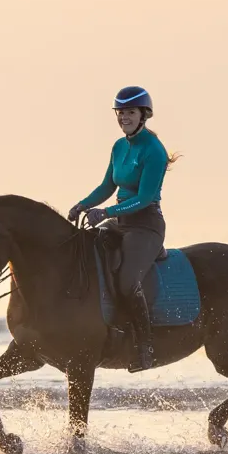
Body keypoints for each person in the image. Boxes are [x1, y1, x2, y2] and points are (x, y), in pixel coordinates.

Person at [68, 86, 172, 372]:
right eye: (121, 112)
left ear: (144, 115)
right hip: (121, 221)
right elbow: (107, 186)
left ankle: (145, 347)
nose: (124, 117)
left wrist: (106, 212)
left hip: (146, 225)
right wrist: (82, 204)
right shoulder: (118, 146)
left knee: (127, 281)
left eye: (130, 112)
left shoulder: (154, 150)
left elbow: (145, 198)